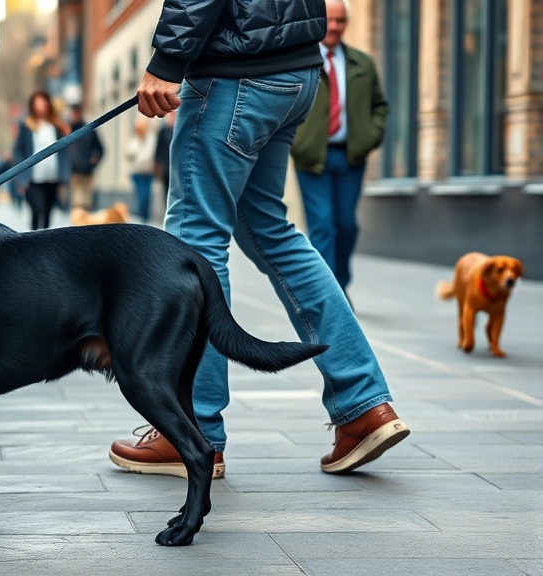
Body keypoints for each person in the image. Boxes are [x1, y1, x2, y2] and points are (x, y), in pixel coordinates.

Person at [109, 0, 408, 480]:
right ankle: (364, 406)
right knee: (273, 233)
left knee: (195, 243)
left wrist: (167, 59)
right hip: (294, 71)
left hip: (235, 74)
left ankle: (192, 428)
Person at [290, 0, 388, 304]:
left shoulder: (362, 63)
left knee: (346, 225)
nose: (334, 27)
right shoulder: (299, 61)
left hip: (350, 157)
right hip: (311, 157)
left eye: (340, 21)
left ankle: (340, 283)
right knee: (322, 225)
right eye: (329, 20)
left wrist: (369, 137)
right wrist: (295, 141)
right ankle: (330, 296)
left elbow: (379, 107)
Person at [12, 91, 71, 230]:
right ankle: (34, 237)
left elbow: (64, 152)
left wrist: (65, 175)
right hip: (33, 178)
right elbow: (18, 151)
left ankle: (44, 239)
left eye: (43, 103)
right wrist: (20, 176)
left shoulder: (57, 125)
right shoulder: (26, 125)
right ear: (32, 106)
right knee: (37, 209)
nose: (41, 107)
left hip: (52, 176)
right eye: (38, 104)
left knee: (48, 210)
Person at [67, 104, 104, 211]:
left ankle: (85, 226)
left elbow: (100, 149)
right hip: (73, 172)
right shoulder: (68, 131)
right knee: (76, 203)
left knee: (86, 203)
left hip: (87, 172)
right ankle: (77, 225)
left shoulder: (89, 130)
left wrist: (94, 161)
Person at [125, 118, 157, 222]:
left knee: (147, 196)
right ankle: (142, 217)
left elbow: (151, 154)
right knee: (141, 196)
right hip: (137, 173)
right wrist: (138, 142)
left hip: (148, 172)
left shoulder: (151, 139)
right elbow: (129, 154)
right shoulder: (134, 141)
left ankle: (145, 217)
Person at [154, 110, 175, 200]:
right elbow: (159, 149)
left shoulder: (180, 129)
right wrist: (157, 164)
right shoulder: (164, 131)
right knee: (166, 191)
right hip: (166, 166)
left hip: (177, 166)